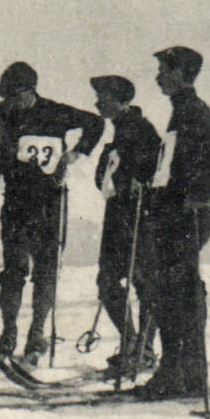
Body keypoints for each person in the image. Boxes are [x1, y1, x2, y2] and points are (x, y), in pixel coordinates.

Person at [0, 61, 103, 364]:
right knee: (14, 270)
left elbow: (95, 122)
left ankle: (37, 333)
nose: (12, 101)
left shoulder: (55, 111)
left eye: (16, 95)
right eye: (7, 96)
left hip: (50, 201)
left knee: (45, 269)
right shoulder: (0, 112)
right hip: (16, 199)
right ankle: (8, 333)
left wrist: (77, 152)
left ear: (30, 90)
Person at [134, 46, 210, 400]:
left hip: (185, 215)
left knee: (177, 294)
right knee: (174, 291)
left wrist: (198, 193)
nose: (158, 76)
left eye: (163, 69)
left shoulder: (193, 111)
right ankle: (184, 370)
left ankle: (178, 372)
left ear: (181, 73)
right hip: (174, 212)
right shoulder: (182, 111)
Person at [91, 76, 162, 376]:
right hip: (118, 217)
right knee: (108, 283)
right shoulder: (120, 131)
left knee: (143, 282)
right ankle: (133, 343)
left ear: (120, 100)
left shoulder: (141, 130)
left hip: (139, 219)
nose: (97, 102)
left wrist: (139, 183)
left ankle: (142, 350)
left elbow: (155, 168)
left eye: (102, 96)